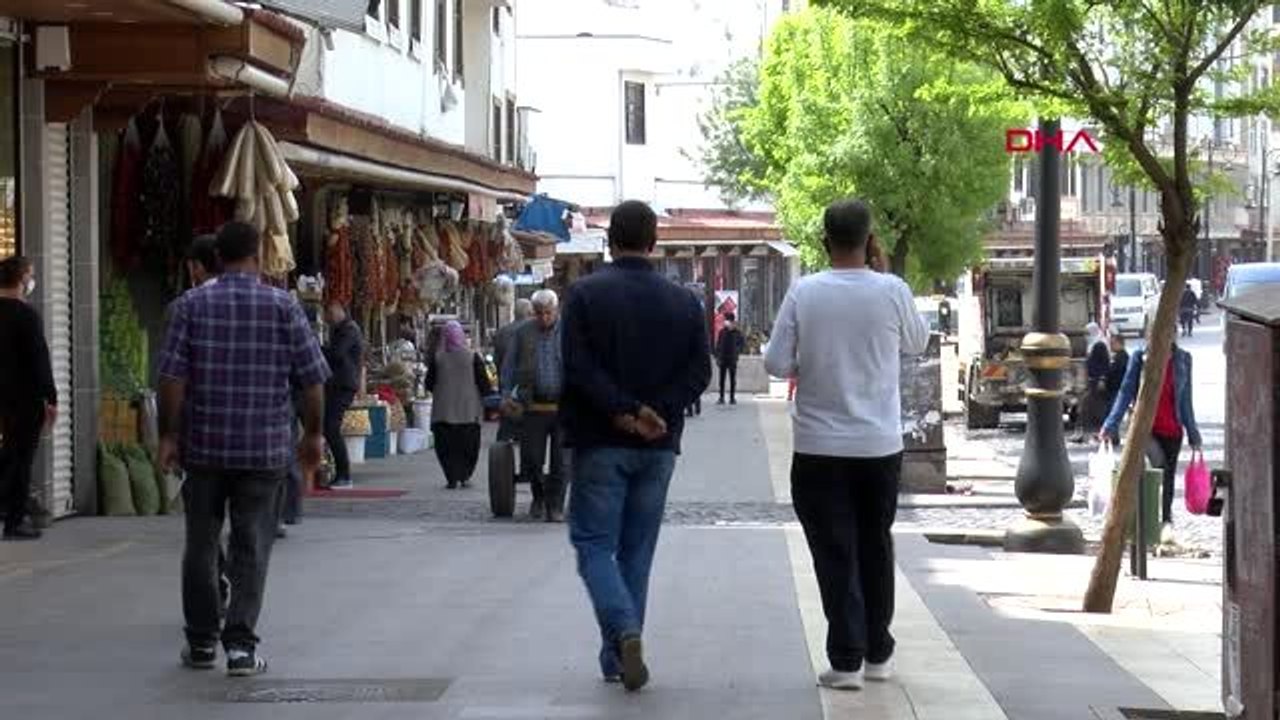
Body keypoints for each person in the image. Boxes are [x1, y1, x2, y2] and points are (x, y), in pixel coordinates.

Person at [764, 198, 929, 691]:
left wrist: (812, 361)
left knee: (834, 551)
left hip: (819, 445)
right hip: (879, 444)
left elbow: (775, 363)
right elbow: (917, 342)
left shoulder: (805, 292)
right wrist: (884, 275)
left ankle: (846, 659)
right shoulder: (893, 290)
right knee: (875, 543)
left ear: (824, 241)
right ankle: (878, 651)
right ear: (870, 240)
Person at [157, 221, 329, 677]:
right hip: (263, 450)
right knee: (251, 544)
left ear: (217, 257)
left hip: (204, 447)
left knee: (201, 543)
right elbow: (313, 380)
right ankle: (240, 649)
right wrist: (313, 435)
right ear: (258, 256)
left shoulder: (189, 306)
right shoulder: (284, 306)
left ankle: (200, 643)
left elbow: (171, 379)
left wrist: (168, 436)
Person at [561, 200, 711, 691]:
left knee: (593, 544)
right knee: (637, 551)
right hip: (660, 444)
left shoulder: (584, 294)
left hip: (600, 438)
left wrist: (622, 410)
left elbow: (578, 367)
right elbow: (700, 371)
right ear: (654, 242)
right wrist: (657, 411)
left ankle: (623, 632)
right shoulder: (684, 302)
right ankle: (618, 655)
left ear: (609, 241)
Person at [1100, 342, 1202, 545]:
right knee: (1158, 467)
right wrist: (1111, 424)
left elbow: (1186, 400)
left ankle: (1166, 521)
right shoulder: (1140, 357)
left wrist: (1193, 434)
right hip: (1146, 428)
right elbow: (1125, 391)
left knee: (1168, 477)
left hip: (1173, 429)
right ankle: (1144, 522)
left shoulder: (1183, 359)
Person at [0, 256, 57, 540]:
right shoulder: (26, 315)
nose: (32, 280)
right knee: (21, 458)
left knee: (10, 453)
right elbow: (39, 359)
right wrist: (51, 398)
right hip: (25, 398)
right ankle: (14, 520)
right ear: (22, 278)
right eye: (31, 275)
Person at [502, 289, 568, 521]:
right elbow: (509, 366)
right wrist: (506, 394)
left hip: (564, 406)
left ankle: (556, 505)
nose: (544, 318)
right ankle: (538, 497)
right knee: (532, 459)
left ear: (556, 310)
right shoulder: (523, 333)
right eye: (539, 313)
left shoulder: (570, 331)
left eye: (548, 313)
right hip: (533, 406)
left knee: (562, 461)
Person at [426, 321, 492, 489]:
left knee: (446, 448)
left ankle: (451, 477)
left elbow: (429, 384)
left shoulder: (438, 358)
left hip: (443, 412)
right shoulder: (472, 357)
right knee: (468, 447)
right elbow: (484, 385)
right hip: (468, 412)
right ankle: (465, 475)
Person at [322, 302, 364, 489]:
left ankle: (344, 474)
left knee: (331, 427)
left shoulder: (349, 330)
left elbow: (337, 354)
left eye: (329, 312)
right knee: (329, 427)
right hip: (338, 383)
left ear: (340, 310)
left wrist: (318, 349)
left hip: (343, 385)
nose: (327, 317)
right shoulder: (341, 329)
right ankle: (338, 471)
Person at [494, 298, 534, 443]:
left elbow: (497, 357)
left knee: (508, 407)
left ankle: (505, 435)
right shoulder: (532, 331)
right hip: (525, 378)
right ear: (529, 312)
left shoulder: (502, 332)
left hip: (505, 376)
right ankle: (521, 434)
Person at [1073, 322, 1110, 443]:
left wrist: (1102, 379)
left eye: (1088, 333)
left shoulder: (1100, 344)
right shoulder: (1093, 344)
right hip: (1092, 382)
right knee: (1088, 407)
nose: (1086, 336)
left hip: (1097, 382)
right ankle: (1085, 434)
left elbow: (1104, 364)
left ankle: (1092, 433)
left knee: (1089, 407)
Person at [715, 312, 746, 405]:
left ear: (731, 321)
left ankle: (732, 398)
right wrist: (718, 356)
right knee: (722, 379)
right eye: (725, 320)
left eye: (727, 320)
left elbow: (742, 344)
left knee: (732, 379)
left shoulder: (737, 333)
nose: (725, 322)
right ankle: (721, 397)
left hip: (732, 359)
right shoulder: (722, 332)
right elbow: (718, 345)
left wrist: (737, 352)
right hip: (723, 358)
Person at [1104, 331, 1129, 419]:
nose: (1110, 346)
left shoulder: (1121, 358)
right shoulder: (1119, 356)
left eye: (1112, 343)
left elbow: (1115, 373)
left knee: (1112, 412)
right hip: (1116, 389)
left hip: (1116, 389)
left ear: (1119, 343)